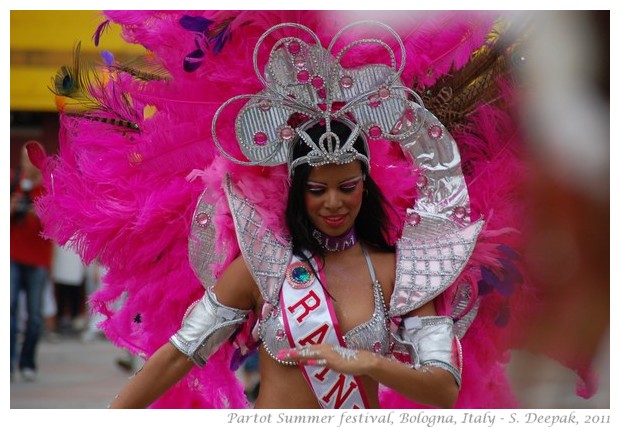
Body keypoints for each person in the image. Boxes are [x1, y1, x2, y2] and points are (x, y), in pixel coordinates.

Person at [10, 142, 54, 381]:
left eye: (32, 158)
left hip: (38, 259)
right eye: (24, 157)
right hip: (12, 256)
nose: (28, 162)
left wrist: (41, 215)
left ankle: (27, 362)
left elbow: (58, 227)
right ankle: (8, 362)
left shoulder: (49, 187)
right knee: (9, 310)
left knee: (35, 316)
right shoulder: (12, 180)